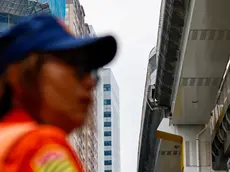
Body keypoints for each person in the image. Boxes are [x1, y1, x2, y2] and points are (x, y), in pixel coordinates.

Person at [0, 15, 117, 171]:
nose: (90, 82)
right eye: (77, 66)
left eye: (91, 71)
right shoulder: (40, 147)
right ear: (18, 74)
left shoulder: (8, 143)